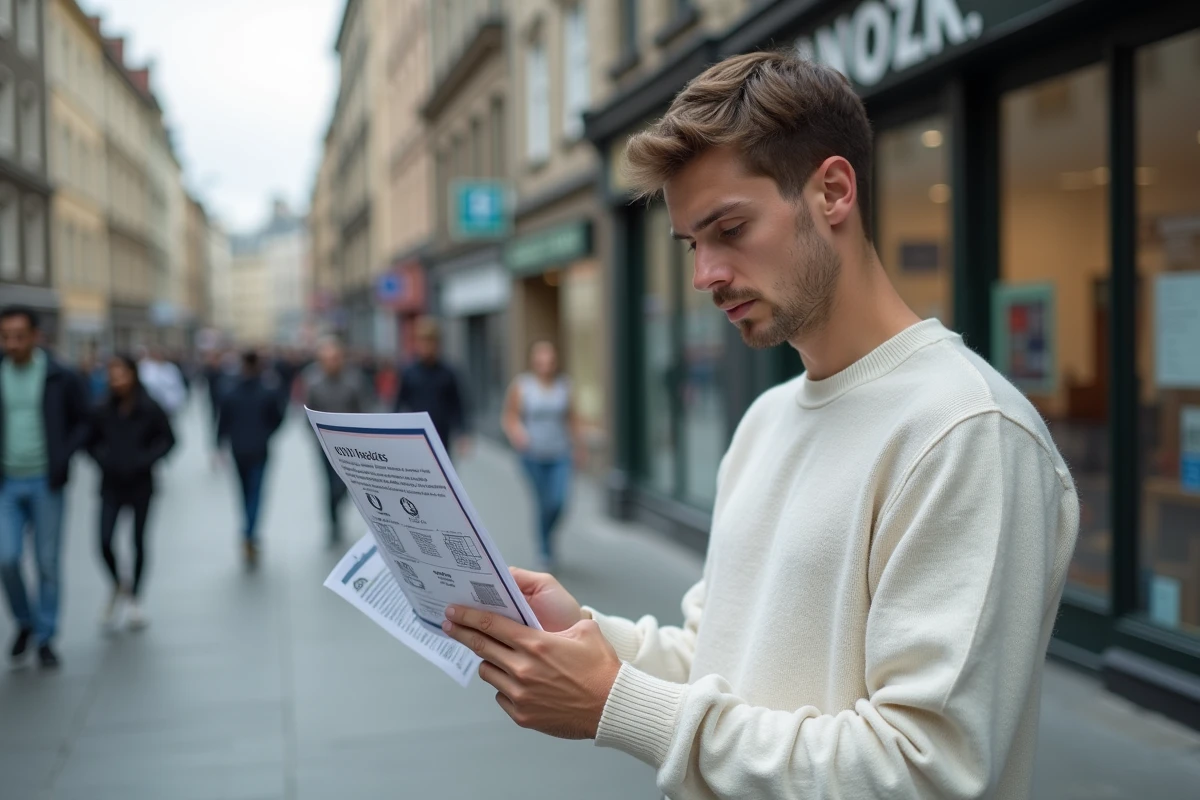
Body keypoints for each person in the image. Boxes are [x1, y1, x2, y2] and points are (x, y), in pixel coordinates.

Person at [438, 52, 1080, 800]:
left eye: (730, 228)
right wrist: (581, 635)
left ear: (833, 192)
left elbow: (923, 771)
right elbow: (721, 659)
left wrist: (617, 704)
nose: (705, 273)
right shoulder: (767, 418)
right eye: (691, 244)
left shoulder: (968, 432)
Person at [0, 306, 90, 669]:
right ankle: (25, 621)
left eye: (19, 336)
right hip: (6, 482)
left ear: (36, 336)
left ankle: (46, 635)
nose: (12, 344)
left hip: (46, 481)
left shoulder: (60, 376)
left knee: (47, 562)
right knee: (6, 558)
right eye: (5, 336)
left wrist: (63, 457)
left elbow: (84, 421)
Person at [87, 354, 175, 630]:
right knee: (103, 540)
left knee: (138, 541)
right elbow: (89, 441)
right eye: (112, 376)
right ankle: (117, 584)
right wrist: (104, 459)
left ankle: (135, 596)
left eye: (121, 374)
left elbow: (169, 439)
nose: (117, 381)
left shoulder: (149, 407)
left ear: (133, 375)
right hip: (111, 484)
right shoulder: (102, 408)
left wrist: (145, 459)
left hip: (141, 484)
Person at [501, 341, 585, 570]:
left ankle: (547, 537)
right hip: (532, 455)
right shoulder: (522, 386)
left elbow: (572, 418)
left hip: (560, 454)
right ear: (533, 362)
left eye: (549, 361)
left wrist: (579, 446)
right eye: (541, 361)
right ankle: (545, 548)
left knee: (558, 502)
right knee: (543, 503)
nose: (545, 365)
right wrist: (518, 433)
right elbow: (510, 416)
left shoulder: (564, 386)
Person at [303, 338, 374, 546]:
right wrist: (314, 435)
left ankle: (338, 506)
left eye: (334, 358)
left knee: (345, 485)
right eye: (326, 359)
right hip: (324, 446)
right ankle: (333, 523)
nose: (331, 363)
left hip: (350, 447)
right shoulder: (313, 382)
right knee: (328, 485)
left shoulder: (354, 380)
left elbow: (364, 409)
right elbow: (308, 412)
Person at [217, 351, 284, 569]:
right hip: (259, 449)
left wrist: (219, 444)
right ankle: (250, 532)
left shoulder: (230, 390)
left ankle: (248, 530)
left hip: (238, 449)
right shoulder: (268, 391)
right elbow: (278, 419)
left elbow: (223, 421)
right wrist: (265, 434)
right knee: (255, 492)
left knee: (244, 491)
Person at [393, 318, 470, 457]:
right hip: (415, 436)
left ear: (437, 343)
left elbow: (458, 405)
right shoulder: (408, 372)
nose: (426, 346)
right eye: (422, 341)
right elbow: (398, 404)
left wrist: (462, 433)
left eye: (430, 341)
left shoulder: (448, 372)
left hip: (441, 436)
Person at [138, 347, 187, 417]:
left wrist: (177, 402)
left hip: (169, 407)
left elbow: (178, 386)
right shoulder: (145, 368)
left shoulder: (171, 368)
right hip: (150, 407)